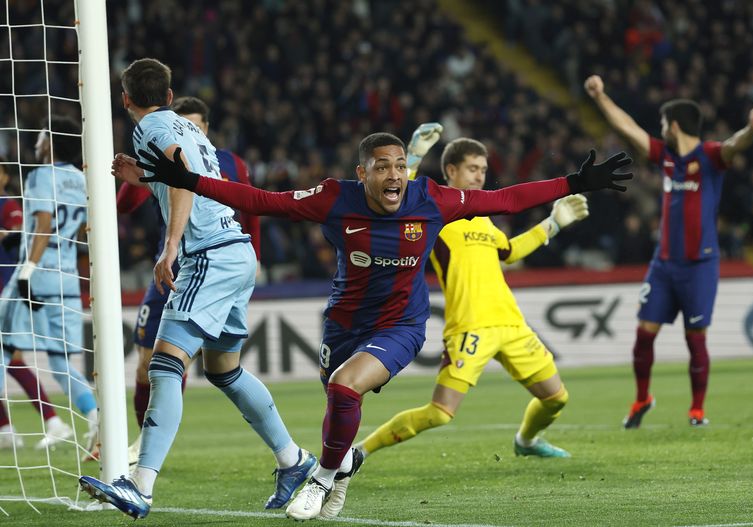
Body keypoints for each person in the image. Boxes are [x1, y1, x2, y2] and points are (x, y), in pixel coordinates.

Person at [135, 126, 633, 520]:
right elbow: (264, 200)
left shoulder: (431, 200)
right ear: (363, 173)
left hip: (402, 326)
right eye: (383, 167)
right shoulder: (335, 198)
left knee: (345, 389)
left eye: (400, 165)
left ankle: (323, 478)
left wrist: (573, 183)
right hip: (343, 325)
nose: (394, 174)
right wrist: (190, 182)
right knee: (336, 401)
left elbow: (505, 199)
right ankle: (342, 462)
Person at [78, 58, 314, 520]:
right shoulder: (190, 131)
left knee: (165, 364)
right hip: (235, 250)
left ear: (126, 100)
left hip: (207, 255)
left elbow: (184, 181)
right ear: (169, 96)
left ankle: (140, 484)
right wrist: (144, 178)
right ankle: (293, 459)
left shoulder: (150, 130)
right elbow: (188, 178)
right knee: (225, 370)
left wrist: (169, 249)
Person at [356, 130, 589, 482]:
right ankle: (358, 451)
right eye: (472, 169)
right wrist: (415, 156)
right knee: (440, 413)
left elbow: (507, 253)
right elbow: (399, 196)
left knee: (556, 398)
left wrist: (551, 224)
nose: (480, 175)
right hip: (469, 327)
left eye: (483, 169)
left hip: (511, 325)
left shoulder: (483, 216)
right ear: (450, 171)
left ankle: (525, 441)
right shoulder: (435, 213)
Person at [584, 74, 753, 428]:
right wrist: (601, 97)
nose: (661, 129)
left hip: (700, 265)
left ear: (676, 124)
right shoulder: (665, 157)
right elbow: (628, 128)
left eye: (664, 123)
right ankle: (642, 400)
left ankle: (697, 411)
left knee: (695, 337)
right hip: (664, 265)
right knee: (644, 334)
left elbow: (735, 144)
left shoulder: (711, 156)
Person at [115, 95, 262, 466]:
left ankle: (146, 463)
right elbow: (126, 204)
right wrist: (141, 175)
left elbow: (251, 208)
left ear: (206, 128)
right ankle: (143, 445)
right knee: (149, 361)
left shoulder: (226, 162)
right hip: (172, 263)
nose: (188, 130)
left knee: (174, 359)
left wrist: (256, 256)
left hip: (210, 257)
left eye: (196, 124)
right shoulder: (160, 142)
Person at [0, 116, 98, 452]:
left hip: (37, 273)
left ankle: (8, 428)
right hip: (68, 277)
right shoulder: (82, 180)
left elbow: (43, 223)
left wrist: (28, 269)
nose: (37, 142)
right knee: (59, 360)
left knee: (1, 346)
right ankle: (96, 419)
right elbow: (83, 229)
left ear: (52, 141)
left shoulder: (41, 175)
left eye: (42, 136)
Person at [0, 159, 71, 449]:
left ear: (4, 176)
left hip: (4, 288)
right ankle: (7, 430)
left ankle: (52, 421)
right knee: (12, 360)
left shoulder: (6, 204)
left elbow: (18, 236)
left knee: (13, 359)